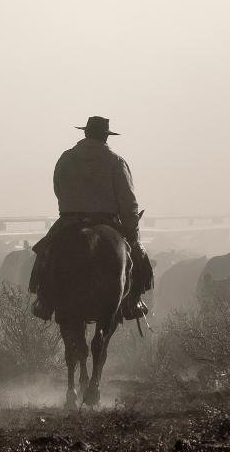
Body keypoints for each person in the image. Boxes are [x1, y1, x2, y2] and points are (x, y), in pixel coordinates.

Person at [29, 116, 153, 321]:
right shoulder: (116, 162)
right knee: (138, 256)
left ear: (85, 133)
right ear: (106, 137)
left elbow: (58, 188)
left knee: (45, 253)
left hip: (70, 219)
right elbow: (128, 202)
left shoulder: (66, 158)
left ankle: (44, 300)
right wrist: (133, 233)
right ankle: (134, 302)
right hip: (107, 220)